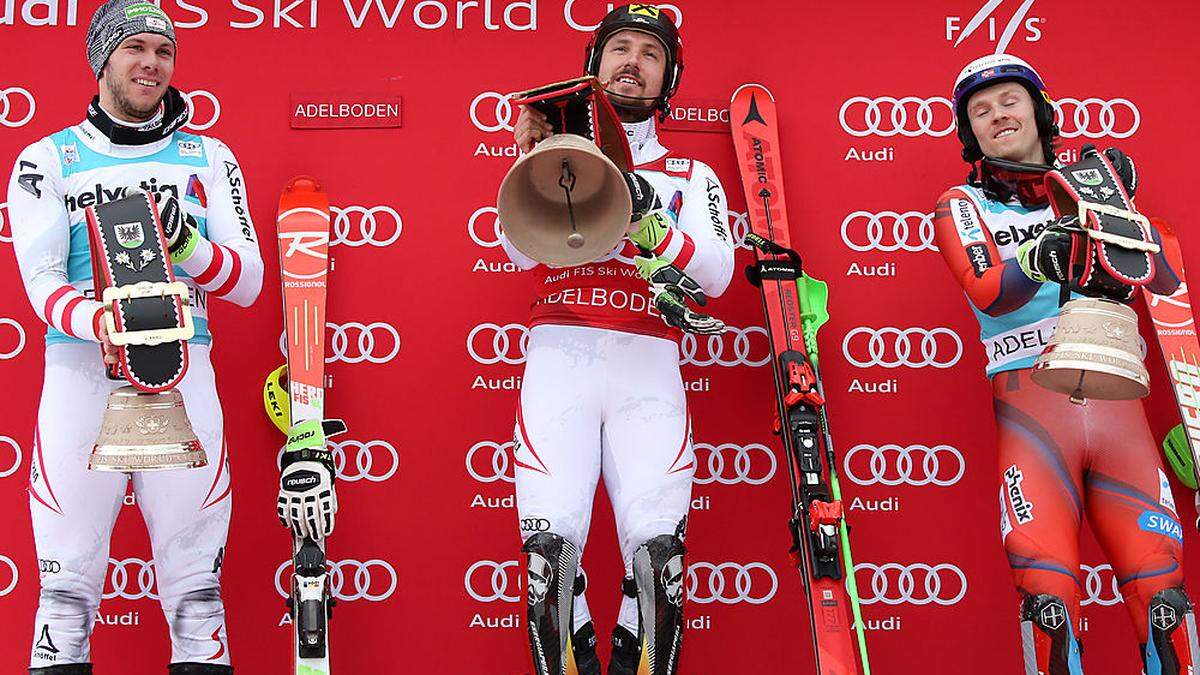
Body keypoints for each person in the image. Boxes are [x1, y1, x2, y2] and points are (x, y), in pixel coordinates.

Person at [6, 1, 263, 671]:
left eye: (163, 50)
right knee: (65, 598)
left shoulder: (209, 156)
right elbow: (40, 280)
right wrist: (102, 322)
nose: (151, 62)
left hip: (183, 377)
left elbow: (250, 281)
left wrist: (188, 245)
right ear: (103, 59)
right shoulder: (46, 157)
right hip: (83, 379)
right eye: (135, 48)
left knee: (196, 598)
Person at [933, 53, 1196, 673]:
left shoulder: (1095, 184)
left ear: (1038, 110)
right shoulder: (960, 205)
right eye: (980, 110)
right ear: (968, 134)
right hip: (1031, 410)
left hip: (1117, 408)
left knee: (1164, 595)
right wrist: (1046, 250)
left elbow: (1162, 279)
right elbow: (990, 289)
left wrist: (1114, 217)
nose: (998, 114)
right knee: (1046, 595)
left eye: (1009, 100)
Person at [503, 4, 734, 674]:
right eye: (620, 48)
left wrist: (647, 212)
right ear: (594, 64)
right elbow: (515, 250)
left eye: (650, 53)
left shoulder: (692, 176)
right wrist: (534, 159)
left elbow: (716, 273)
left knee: (660, 561)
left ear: (670, 76)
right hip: (561, 356)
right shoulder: (556, 155)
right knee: (548, 562)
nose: (632, 62)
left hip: (646, 361)